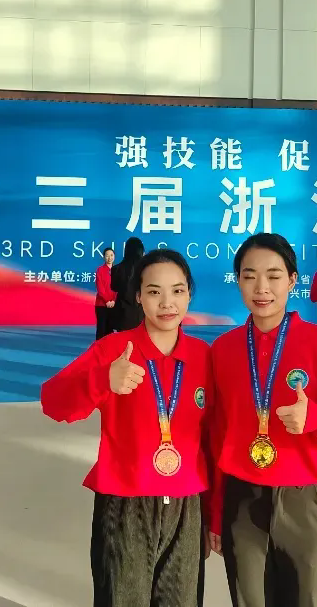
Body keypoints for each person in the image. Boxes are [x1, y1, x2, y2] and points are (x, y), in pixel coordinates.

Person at [42, 249, 210, 607]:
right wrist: (102, 380)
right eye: (154, 291)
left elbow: (213, 437)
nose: (167, 303)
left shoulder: (204, 357)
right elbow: (53, 402)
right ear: (138, 296)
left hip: (187, 506)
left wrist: (215, 514)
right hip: (125, 503)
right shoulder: (114, 350)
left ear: (189, 295)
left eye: (177, 291)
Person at [206, 233, 317, 607]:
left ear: (292, 280)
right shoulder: (223, 350)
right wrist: (216, 511)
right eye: (249, 276)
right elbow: (216, 435)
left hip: (306, 499)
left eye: (274, 276)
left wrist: (316, 418)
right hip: (243, 501)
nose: (262, 288)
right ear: (238, 280)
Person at [111, 237, 145, 332]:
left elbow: (114, 287)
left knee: (124, 339)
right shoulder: (146, 268)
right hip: (142, 312)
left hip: (123, 313)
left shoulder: (116, 269)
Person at [94, 247, 116, 340]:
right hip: (102, 305)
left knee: (110, 330)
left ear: (114, 256)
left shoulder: (117, 270)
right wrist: (107, 301)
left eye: (111, 255)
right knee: (101, 330)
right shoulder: (100, 270)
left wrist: (114, 300)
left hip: (114, 305)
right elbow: (100, 288)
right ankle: (98, 348)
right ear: (104, 257)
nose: (109, 258)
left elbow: (118, 288)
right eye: (107, 256)